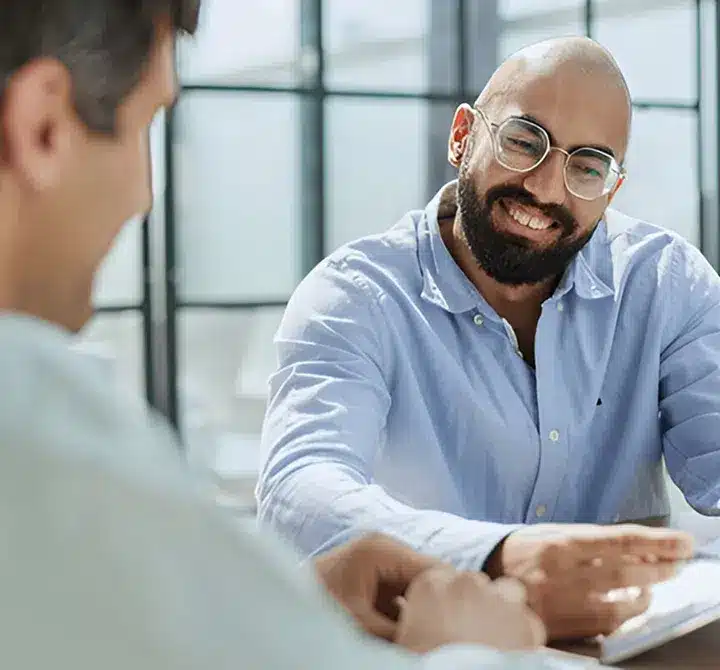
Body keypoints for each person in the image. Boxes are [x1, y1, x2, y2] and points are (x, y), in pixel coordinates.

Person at [0, 1, 614, 668]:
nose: (145, 195)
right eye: (145, 128)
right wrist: (477, 652)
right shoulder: (37, 427)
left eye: (587, 167)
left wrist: (303, 592)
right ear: (42, 130)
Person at [256, 35, 709, 641]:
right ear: (463, 135)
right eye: (525, 141)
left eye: (587, 166)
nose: (547, 189)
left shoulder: (666, 282)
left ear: (611, 188)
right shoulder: (355, 296)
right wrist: (500, 557)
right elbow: (298, 495)